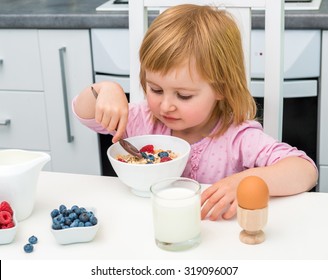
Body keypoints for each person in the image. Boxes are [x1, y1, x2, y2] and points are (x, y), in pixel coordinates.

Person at [72, 4, 318, 221]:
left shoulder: (237, 137)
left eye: (184, 95)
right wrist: (104, 90)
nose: (166, 105)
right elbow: (84, 113)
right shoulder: (142, 118)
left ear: (221, 88)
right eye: (155, 89)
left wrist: (245, 182)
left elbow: (305, 170)